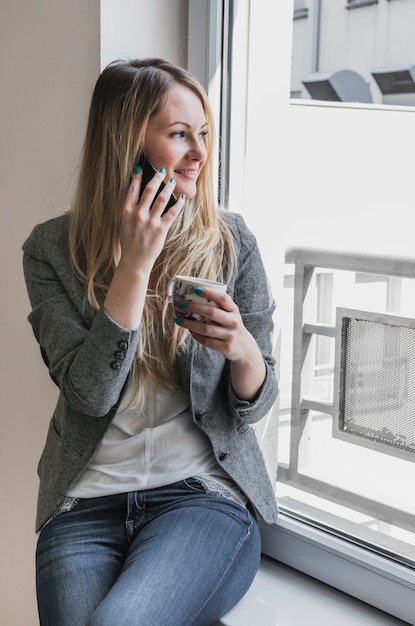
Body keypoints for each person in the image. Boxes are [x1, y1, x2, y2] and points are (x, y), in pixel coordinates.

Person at [22, 58, 278, 626]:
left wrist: (241, 348)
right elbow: (89, 395)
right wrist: (135, 266)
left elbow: (256, 402)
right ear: (125, 143)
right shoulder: (50, 252)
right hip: (84, 505)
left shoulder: (231, 241)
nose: (199, 153)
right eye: (179, 134)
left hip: (200, 497)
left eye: (203, 134)